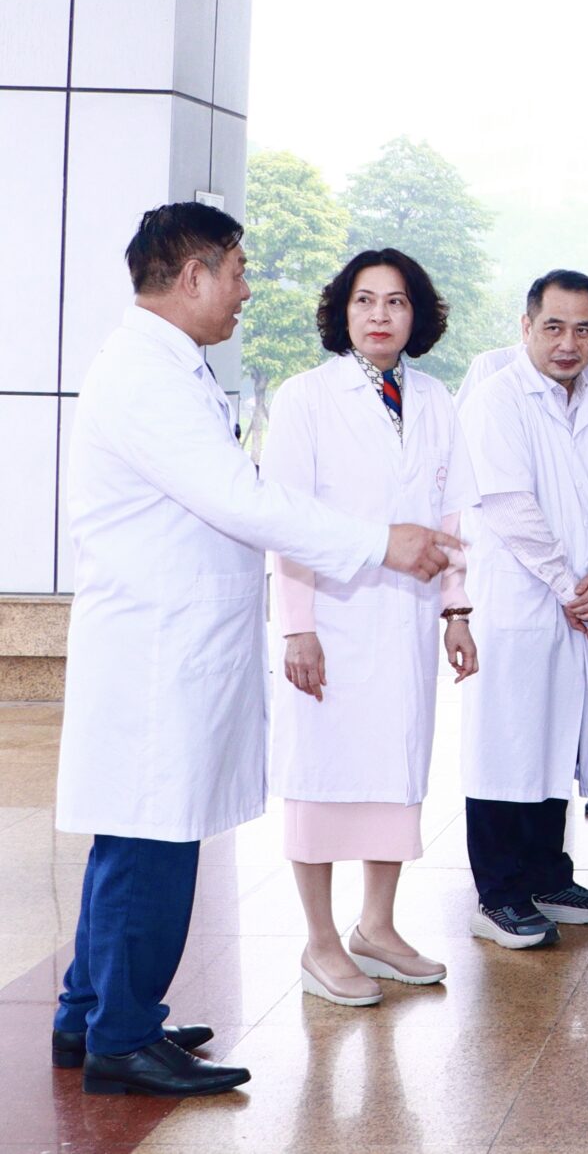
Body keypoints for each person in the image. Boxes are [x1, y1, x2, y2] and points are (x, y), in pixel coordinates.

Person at [53, 203, 460, 1098]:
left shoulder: (169, 365)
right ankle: (122, 1035)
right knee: (152, 844)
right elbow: (243, 498)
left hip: (169, 639)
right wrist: (378, 543)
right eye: (236, 272)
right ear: (192, 275)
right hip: (159, 647)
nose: (245, 290)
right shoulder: (149, 376)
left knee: (134, 837)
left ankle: (90, 1013)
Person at [265, 249, 478, 1008]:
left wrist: (457, 610)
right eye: (365, 300)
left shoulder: (435, 398)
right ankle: (320, 942)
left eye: (396, 301)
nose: (380, 315)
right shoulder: (305, 397)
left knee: (396, 765)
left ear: (417, 315)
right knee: (321, 775)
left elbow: (452, 517)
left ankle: (377, 927)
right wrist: (297, 627)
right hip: (330, 617)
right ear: (342, 311)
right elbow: (285, 519)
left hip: (407, 617)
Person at [455, 270, 588, 948]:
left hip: (576, 604)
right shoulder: (497, 400)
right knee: (506, 742)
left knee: (555, 736)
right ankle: (498, 894)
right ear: (526, 327)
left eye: (583, 329)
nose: (568, 342)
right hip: (519, 602)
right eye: (553, 327)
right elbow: (509, 507)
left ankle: (547, 877)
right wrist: (570, 584)